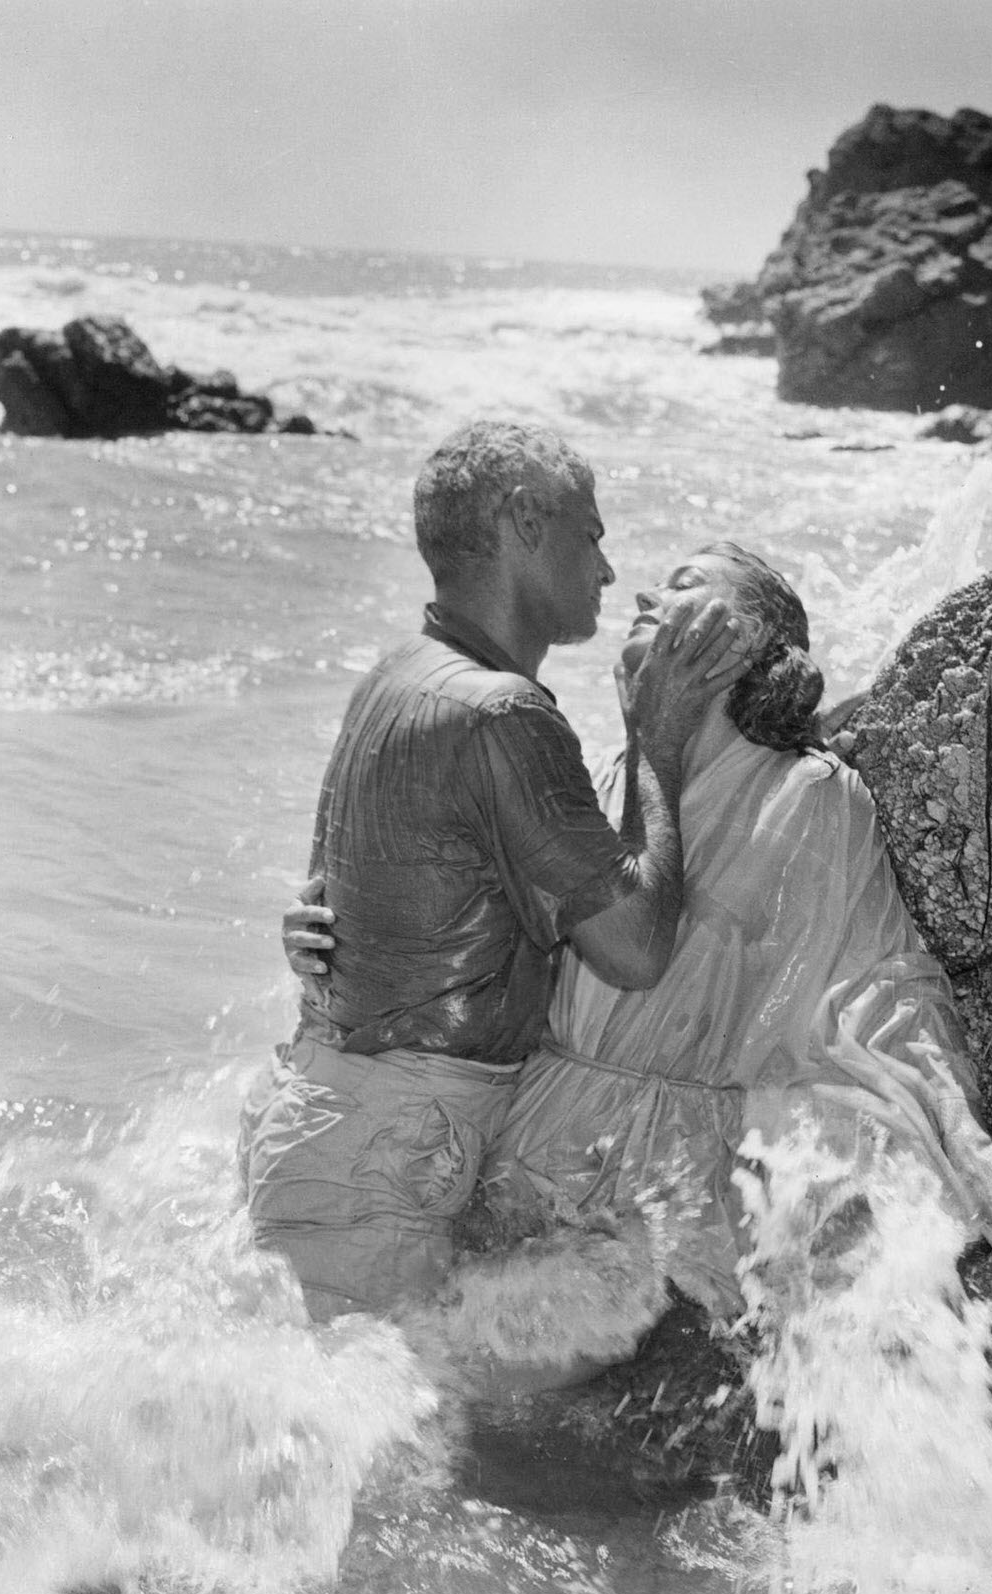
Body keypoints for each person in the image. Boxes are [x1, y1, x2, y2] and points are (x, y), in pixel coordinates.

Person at [284, 541, 992, 1370]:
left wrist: (966, 1145)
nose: (641, 590)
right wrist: (324, 936)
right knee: (391, 1364)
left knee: (473, 1389)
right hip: (517, 1125)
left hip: (661, 1176)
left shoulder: (809, 795)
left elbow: (879, 986)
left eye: (682, 587)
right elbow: (468, 926)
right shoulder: (595, 775)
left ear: (743, 643)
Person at [239, 421, 751, 1322]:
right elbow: (634, 948)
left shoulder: (399, 673)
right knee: (353, 1447)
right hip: (379, 1151)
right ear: (524, 522)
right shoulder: (504, 713)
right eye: (589, 533)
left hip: (327, 1112)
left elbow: (345, 903)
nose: (602, 568)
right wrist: (656, 738)